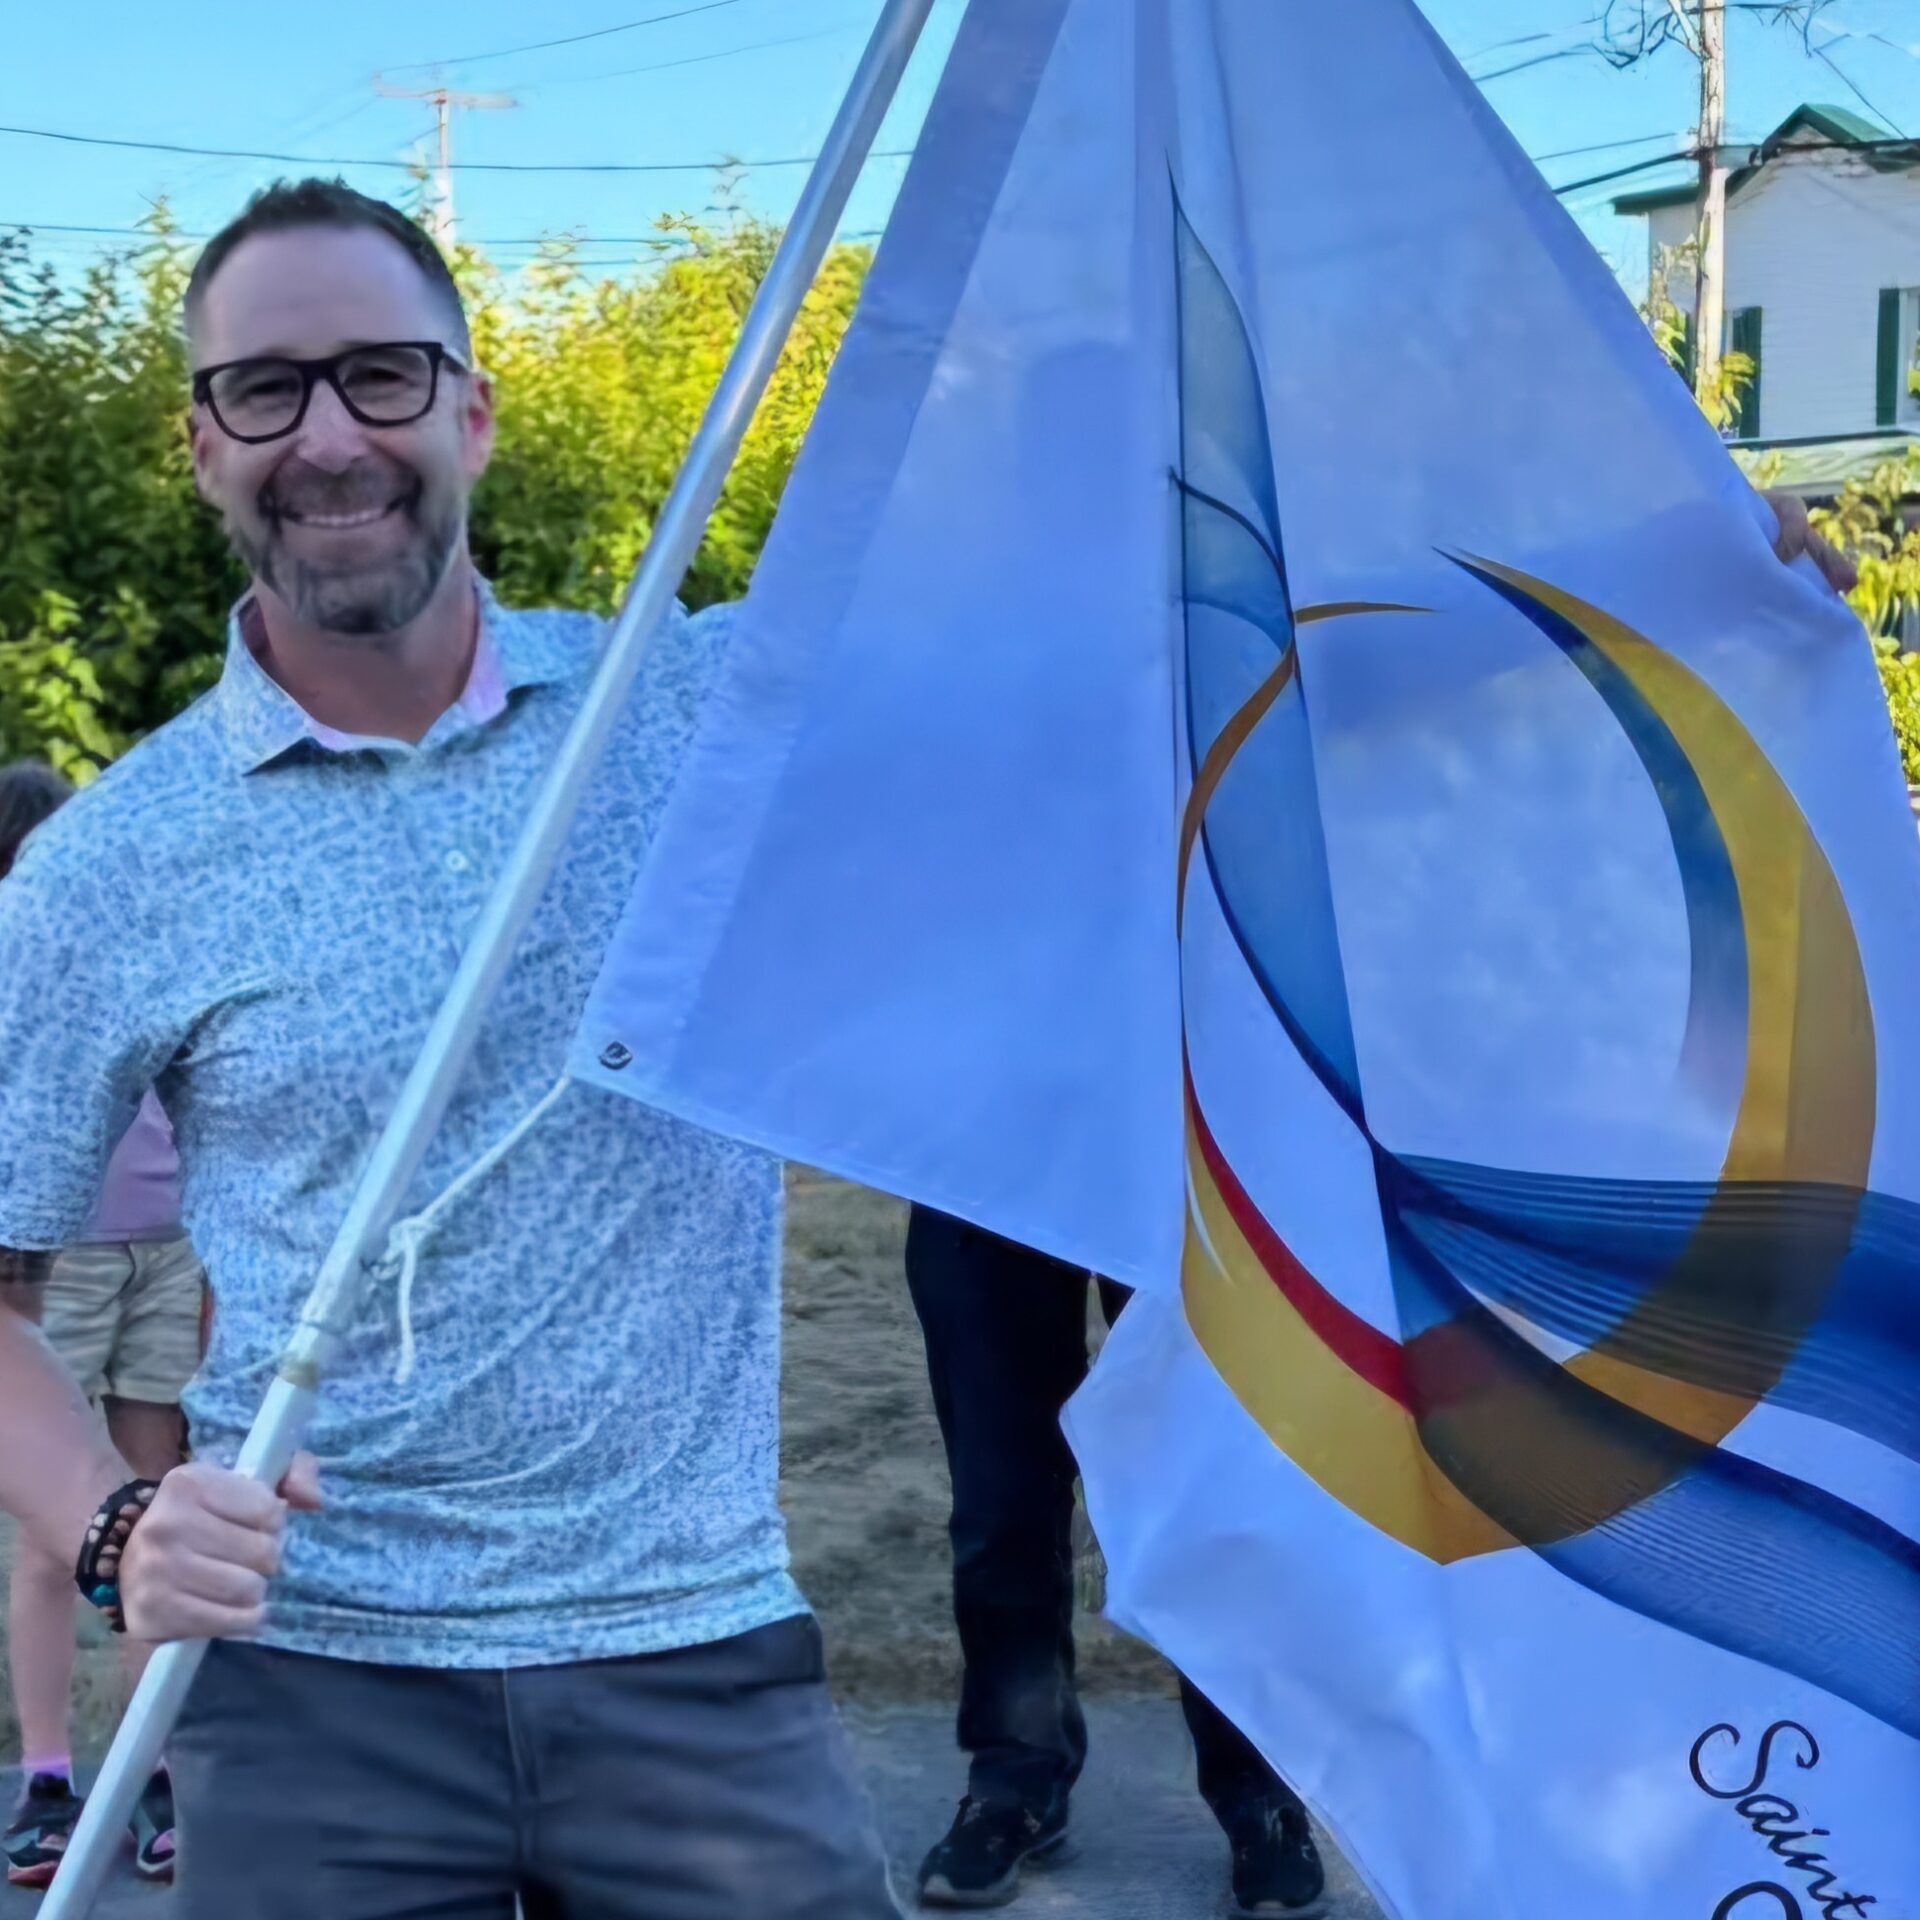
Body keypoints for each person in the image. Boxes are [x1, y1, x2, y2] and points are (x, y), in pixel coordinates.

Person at [0, 179, 898, 1919]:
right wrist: (114, 1529)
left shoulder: (695, 720)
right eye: (266, 390)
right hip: (304, 1688)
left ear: (473, 411)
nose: (329, 436)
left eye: (384, 377)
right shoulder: (107, 868)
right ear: (203, 448)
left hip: (698, 1660)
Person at [902, 490, 1862, 1920]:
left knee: (1243, 1467)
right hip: (990, 1144)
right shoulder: (943, 654)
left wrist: (1708, 556)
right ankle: (1013, 1775)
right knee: (1001, 1486)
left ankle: (1263, 1788)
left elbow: (1467, 635)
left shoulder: (1248, 635)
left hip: (1208, 1146)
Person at [907, 1210, 1325, 1917]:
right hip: (988, 1161)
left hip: (1177, 1158)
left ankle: (1260, 1789)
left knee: (1207, 1497)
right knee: (999, 1501)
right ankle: (1013, 1778)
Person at [0, 763, 203, 1889]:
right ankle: (44, 1781)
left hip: (166, 1254)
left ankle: (148, 1773)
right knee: (53, 1530)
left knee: (158, 1517)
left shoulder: (144, 939)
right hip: (53, 1258)